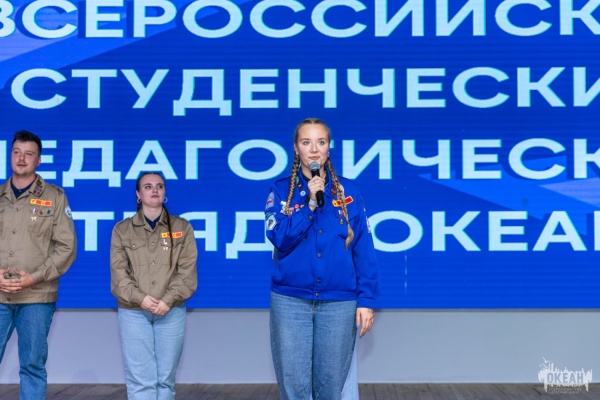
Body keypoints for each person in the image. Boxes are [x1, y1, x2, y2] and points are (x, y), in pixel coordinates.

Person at [265, 118, 379, 400]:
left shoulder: (349, 191)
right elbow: (279, 237)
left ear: (329, 148)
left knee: (330, 388)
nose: (314, 149)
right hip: (291, 301)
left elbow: (363, 248)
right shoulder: (281, 190)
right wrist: (311, 204)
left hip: (339, 302)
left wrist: (366, 299)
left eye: (321, 142)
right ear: (296, 148)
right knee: (295, 388)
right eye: (306, 142)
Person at [0, 130, 77, 400]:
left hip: (36, 296)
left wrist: (33, 278)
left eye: (29, 154)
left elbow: (66, 248)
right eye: (16, 152)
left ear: (39, 160)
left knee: (32, 366)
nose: (21, 158)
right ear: (10, 155)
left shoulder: (55, 197)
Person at [110, 172, 198, 400]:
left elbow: (187, 272)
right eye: (148, 186)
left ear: (165, 192)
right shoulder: (122, 229)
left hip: (171, 310)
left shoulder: (182, 227)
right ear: (138, 194)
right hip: (133, 311)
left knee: (165, 380)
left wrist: (167, 300)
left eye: (159, 186)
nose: (154, 190)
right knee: (141, 381)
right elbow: (119, 275)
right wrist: (141, 298)